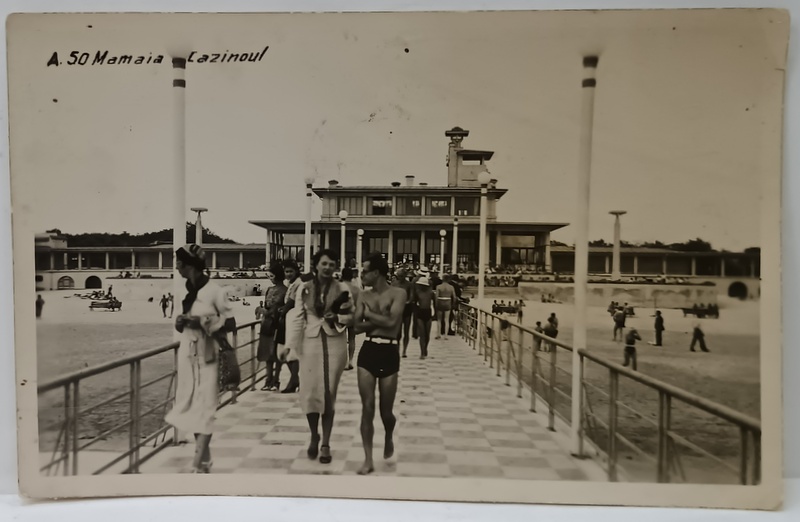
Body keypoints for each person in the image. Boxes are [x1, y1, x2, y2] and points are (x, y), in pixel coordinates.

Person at [165, 244, 236, 473]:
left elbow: (230, 322)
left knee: (206, 405)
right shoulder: (186, 290)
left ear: (189, 265)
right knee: (192, 405)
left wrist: (204, 323)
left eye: (179, 263)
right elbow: (185, 317)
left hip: (209, 355)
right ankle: (205, 458)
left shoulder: (215, 291)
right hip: (188, 355)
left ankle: (197, 463)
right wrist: (180, 321)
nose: (176, 267)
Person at [285, 249, 354, 465]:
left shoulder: (342, 288)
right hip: (310, 343)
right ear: (316, 265)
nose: (328, 267)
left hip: (335, 342)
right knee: (310, 393)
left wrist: (339, 317)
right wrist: (290, 347)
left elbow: (351, 316)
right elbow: (297, 317)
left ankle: (325, 442)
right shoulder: (305, 288)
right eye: (324, 263)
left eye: (331, 264)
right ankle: (313, 434)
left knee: (329, 393)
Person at [353, 251, 406, 475]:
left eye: (365, 271)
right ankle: (367, 459)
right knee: (367, 408)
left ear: (376, 273)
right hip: (368, 351)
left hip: (389, 351)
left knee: (386, 412)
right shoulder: (363, 295)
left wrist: (369, 315)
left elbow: (393, 322)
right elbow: (356, 327)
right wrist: (379, 320)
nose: (362, 275)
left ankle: (388, 435)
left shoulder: (399, 293)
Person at [257, 262, 287, 391]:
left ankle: (276, 380)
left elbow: (279, 308)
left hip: (278, 324)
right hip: (267, 324)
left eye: (272, 275)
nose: (270, 278)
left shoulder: (285, 290)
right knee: (267, 354)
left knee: (276, 353)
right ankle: (268, 379)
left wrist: (267, 312)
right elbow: (267, 306)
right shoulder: (269, 289)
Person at [277, 259, 303, 393]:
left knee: (291, 352)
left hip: (292, 320)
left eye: (291, 271)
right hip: (288, 320)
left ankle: (294, 380)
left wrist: (282, 310)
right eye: (286, 271)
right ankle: (295, 379)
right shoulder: (292, 284)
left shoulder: (298, 284)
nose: (288, 274)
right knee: (284, 352)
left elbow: (291, 303)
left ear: (296, 271)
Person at [341, 267, 362, 370]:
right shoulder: (356, 289)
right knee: (352, 339)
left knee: (343, 339)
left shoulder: (339, 287)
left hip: (342, 315)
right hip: (353, 315)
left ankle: (344, 362)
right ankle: (350, 360)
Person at [392, 268, 414, 358]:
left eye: (401, 276)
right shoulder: (394, 284)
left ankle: (404, 350)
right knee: (398, 332)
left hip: (407, 309)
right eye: (399, 276)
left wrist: (406, 302)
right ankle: (397, 349)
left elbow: (411, 297)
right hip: (398, 309)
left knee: (406, 331)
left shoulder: (409, 285)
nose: (400, 278)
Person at [412, 276, 434, 359]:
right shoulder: (417, 292)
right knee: (422, 334)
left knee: (427, 334)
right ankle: (422, 352)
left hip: (428, 312)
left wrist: (434, 314)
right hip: (420, 313)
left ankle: (425, 348)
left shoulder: (431, 293)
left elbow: (435, 304)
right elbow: (414, 303)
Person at [434, 275, 456, 339]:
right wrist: (453, 304)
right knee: (447, 319)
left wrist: (436, 304)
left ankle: (439, 334)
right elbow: (454, 297)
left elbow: (436, 296)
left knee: (439, 319)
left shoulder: (438, 287)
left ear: (442, 279)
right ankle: (446, 335)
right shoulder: (451, 287)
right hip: (448, 301)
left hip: (440, 301)